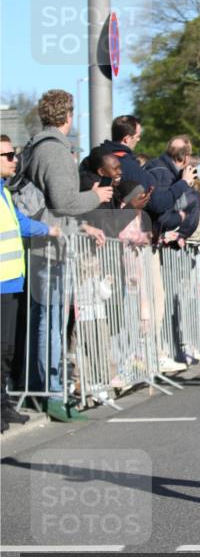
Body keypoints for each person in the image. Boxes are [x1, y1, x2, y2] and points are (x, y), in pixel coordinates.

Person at [18, 90, 112, 418]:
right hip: (51, 248)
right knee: (53, 322)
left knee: (46, 320)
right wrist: (96, 196)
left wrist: (82, 228)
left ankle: (42, 388)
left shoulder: (34, 146)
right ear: (68, 117)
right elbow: (63, 202)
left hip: (45, 243)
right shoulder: (54, 151)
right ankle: (54, 393)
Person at [1, 135, 60, 431]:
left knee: (7, 349)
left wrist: (49, 229)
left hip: (11, 282)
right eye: (8, 155)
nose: (14, 160)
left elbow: (21, 224)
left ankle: (3, 405)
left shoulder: (5, 194)